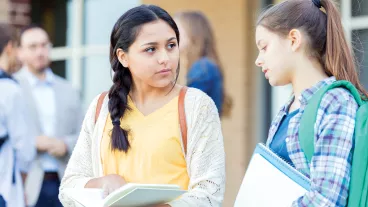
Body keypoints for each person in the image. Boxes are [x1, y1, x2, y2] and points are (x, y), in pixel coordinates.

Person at [59, 4, 225, 207]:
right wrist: (103, 182)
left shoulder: (197, 106)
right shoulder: (101, 107)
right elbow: (68, 188)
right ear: (123, 57)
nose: (165, 58)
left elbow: (210, 194)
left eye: (171, 45)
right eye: (151, 49)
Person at [255, 0, 368, 206]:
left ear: (293, 40)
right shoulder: (286, 110)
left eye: (264, 47)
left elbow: (327, 200)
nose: (258, 60)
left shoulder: (336, 102)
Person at [14, 25, 83, 207]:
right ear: (19, 52)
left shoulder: (69, 89)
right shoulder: (9, 89)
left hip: (66, 184)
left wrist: (65, 144)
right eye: (33, 46)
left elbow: (86, 136)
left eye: (44, 45)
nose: (40, 52)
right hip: (26, 186)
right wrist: (33, 142)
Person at [0, 23, 36, 207]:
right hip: (5, 189)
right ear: (9, 48)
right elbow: (25, 150)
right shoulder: (9, 89)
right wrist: (22, 188)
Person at [174, 11, 232, 117]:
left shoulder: (203, 68)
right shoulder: (203, 66)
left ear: (193, 33)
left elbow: (186, 110)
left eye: (177, 30)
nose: (173, 35)